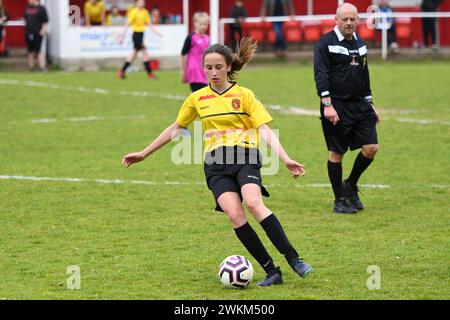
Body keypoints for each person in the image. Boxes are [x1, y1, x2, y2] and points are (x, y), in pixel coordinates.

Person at [122, 38, 313, 286]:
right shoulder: (197, 98)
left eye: (218, 67)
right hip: (215, 164)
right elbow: (176, 128)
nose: (213, 72)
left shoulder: (244, 95)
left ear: (229, 67)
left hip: (245, 157)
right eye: (208, 67)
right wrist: (144, 153)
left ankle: (294, 259)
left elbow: (264, 128)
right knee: (234, 214)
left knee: (254, 204)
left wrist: (285, 158)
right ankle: (271, 271)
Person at [313, 3, 380, 214]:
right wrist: (327, 105)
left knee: (371, 147)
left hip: (360, 104)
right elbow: (321, 75)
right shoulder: (325, 44)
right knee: (337, 153)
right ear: (337, 19)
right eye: (345, 19)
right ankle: (339, 200)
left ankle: (350, 184)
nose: (349, 23)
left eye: (353, 19)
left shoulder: (360, 43)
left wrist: (370, 103)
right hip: (337, 106)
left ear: (358, 20)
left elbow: (364, 73)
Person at [117, 0, 161, 80]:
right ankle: (150, 74)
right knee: (145, 54)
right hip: (136, 35)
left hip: (141, 35)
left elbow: (148, 24)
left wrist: (157, 32)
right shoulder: (133, 12)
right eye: (140, 2)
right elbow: (127, 24)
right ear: (136, 3)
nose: (142, 3)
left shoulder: (145, 12)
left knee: (133, 55)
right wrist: (123, 35)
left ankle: (121, 71)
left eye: (143, 2)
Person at [180, 12, 210, 92]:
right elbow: (183, 54)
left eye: (205, 24)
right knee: (200, 94)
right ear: (195, 24)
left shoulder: (207, 38)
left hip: (203, 71)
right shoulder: (191, 37)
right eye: (201, 24)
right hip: (194, 71)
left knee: (199, 96)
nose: (203, 26)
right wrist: (183, 72)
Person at [24, 0, 49, 72]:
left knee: (39, 50)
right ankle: (31, 68)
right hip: (28, 33)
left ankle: (42, 67)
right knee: (30, 51)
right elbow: (25, 19)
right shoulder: (27, 8)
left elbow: (45, 21)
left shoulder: (41, 9)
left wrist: (43, 31)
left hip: (38, 33)